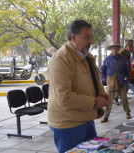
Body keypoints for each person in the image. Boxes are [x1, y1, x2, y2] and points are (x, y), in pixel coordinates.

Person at [47, 20, 111, 153]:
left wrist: (102, 94)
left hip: (86, 118)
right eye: (86, 36)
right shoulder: (61, 60)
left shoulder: (87, 57)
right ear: (73, 38)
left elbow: (94, 80)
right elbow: (64, 98)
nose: (91, 41)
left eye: (91, 36)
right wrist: (94, 102)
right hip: (68, 125)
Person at [100, 42, 131, 123]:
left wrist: (126, 79)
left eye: (116, 48)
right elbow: (102, 71)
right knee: (109, 100)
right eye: (113, 48)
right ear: (111, 49)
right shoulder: (107, 59)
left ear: (118, 49)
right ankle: (106, 116)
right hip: (111, 82)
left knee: (124, 99)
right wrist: (104, 80)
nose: (115, 50)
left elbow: (128, 71)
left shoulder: (123, 59)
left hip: (121, 82)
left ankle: (128, 113)